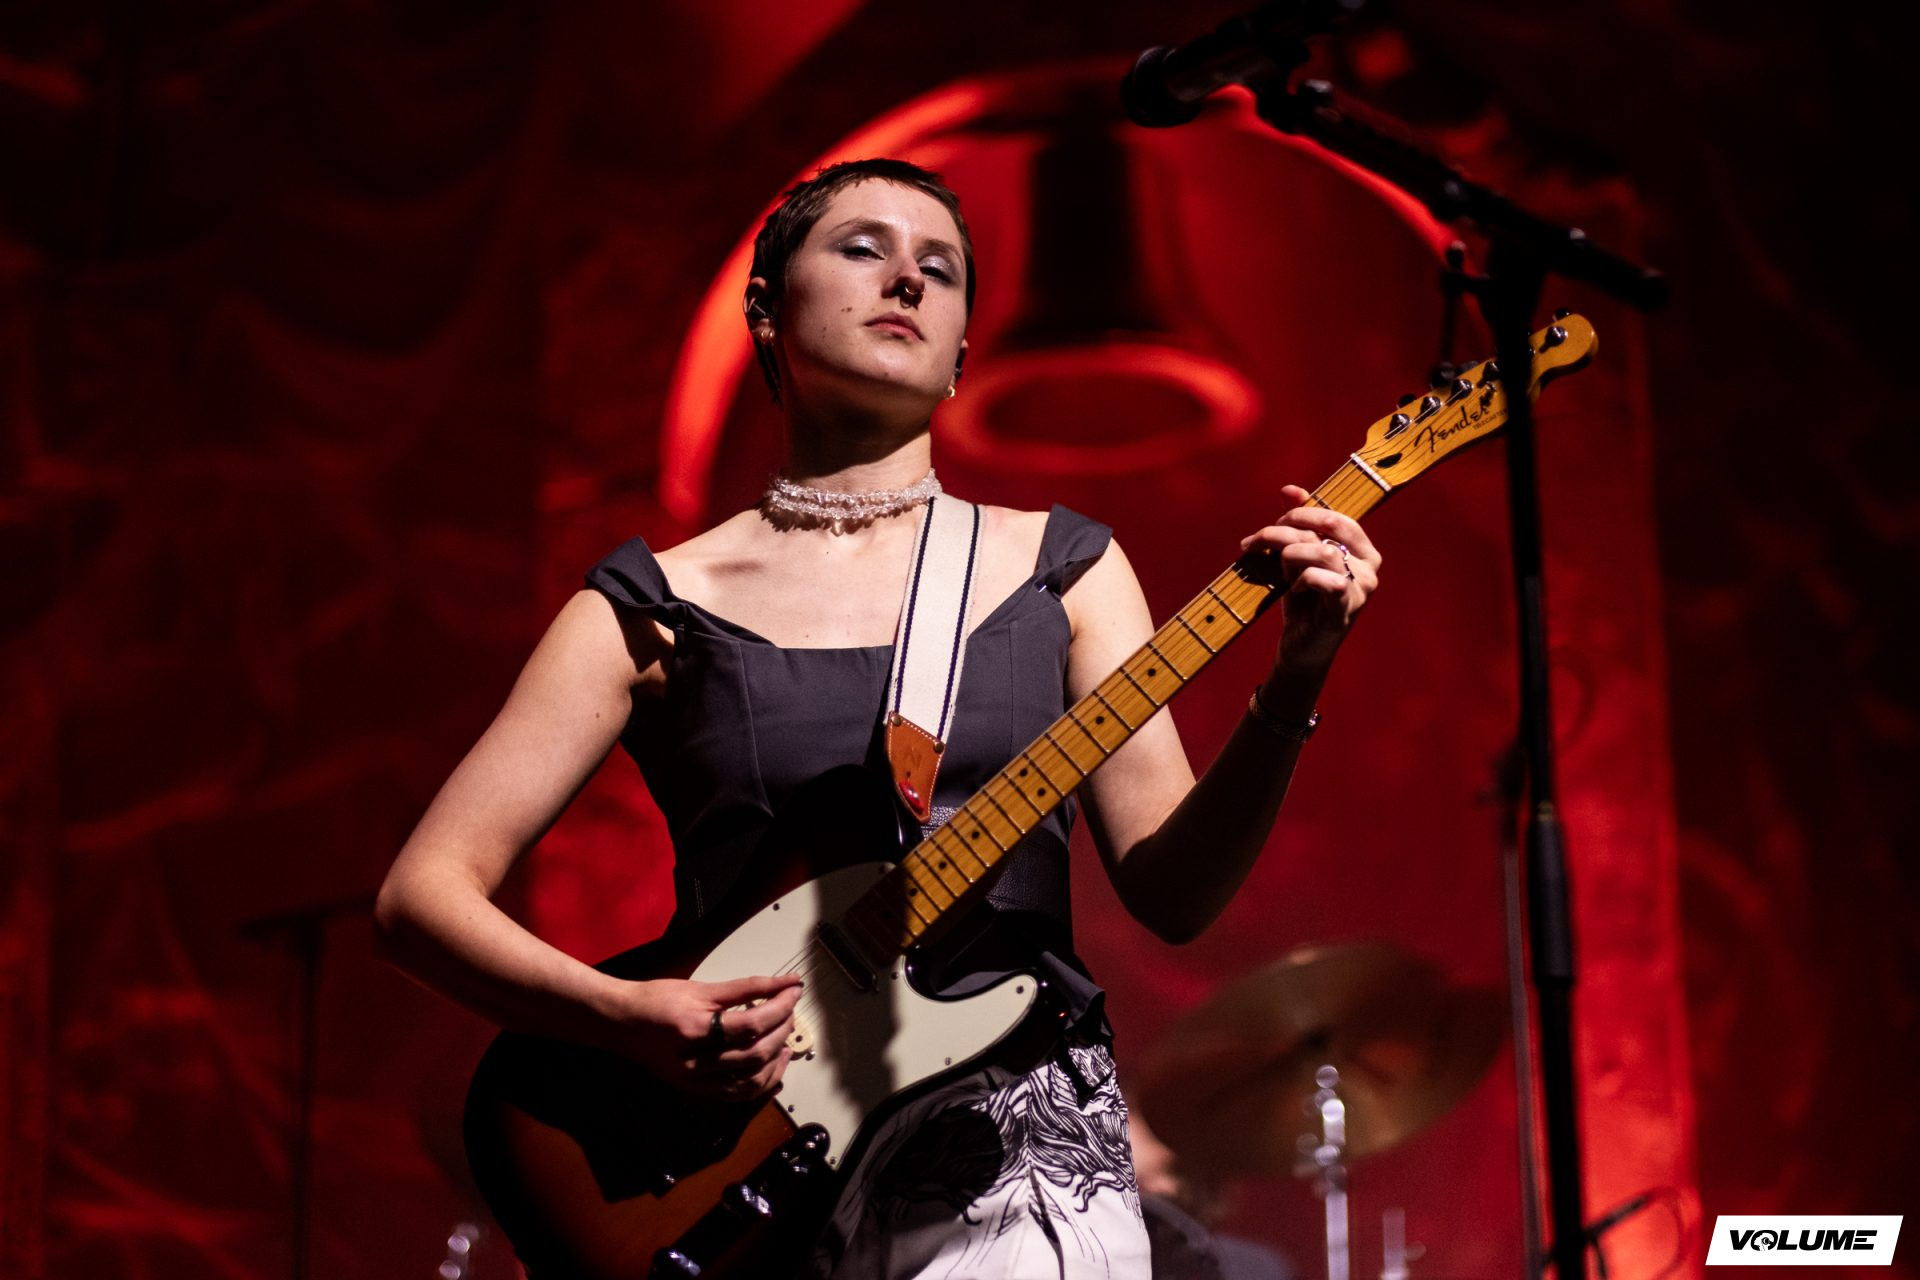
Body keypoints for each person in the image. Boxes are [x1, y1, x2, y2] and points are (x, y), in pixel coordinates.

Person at [375, 157, 1381, 1279]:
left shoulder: (1063, 569)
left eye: (939, 269)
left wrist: (1296, 678)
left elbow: (1174, 892)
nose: (906, 278)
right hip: (756, 1173)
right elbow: (421, 897)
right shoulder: (650, 605)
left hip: (1019, 1153)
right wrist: (629, 1017)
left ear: (960, 356)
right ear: (766, 311)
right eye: (862, 248)